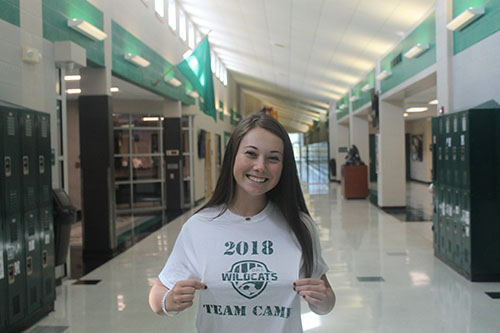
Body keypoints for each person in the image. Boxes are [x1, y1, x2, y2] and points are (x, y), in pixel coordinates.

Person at [149, 113, 335, 332]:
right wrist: (168, 301)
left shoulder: (299, 225)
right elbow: (157, 295)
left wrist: (322, 300)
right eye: (251, 154)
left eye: (273, 158)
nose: (260, 166)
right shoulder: (200, 226)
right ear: (232, 157)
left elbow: (326, 301)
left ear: (284, 167)